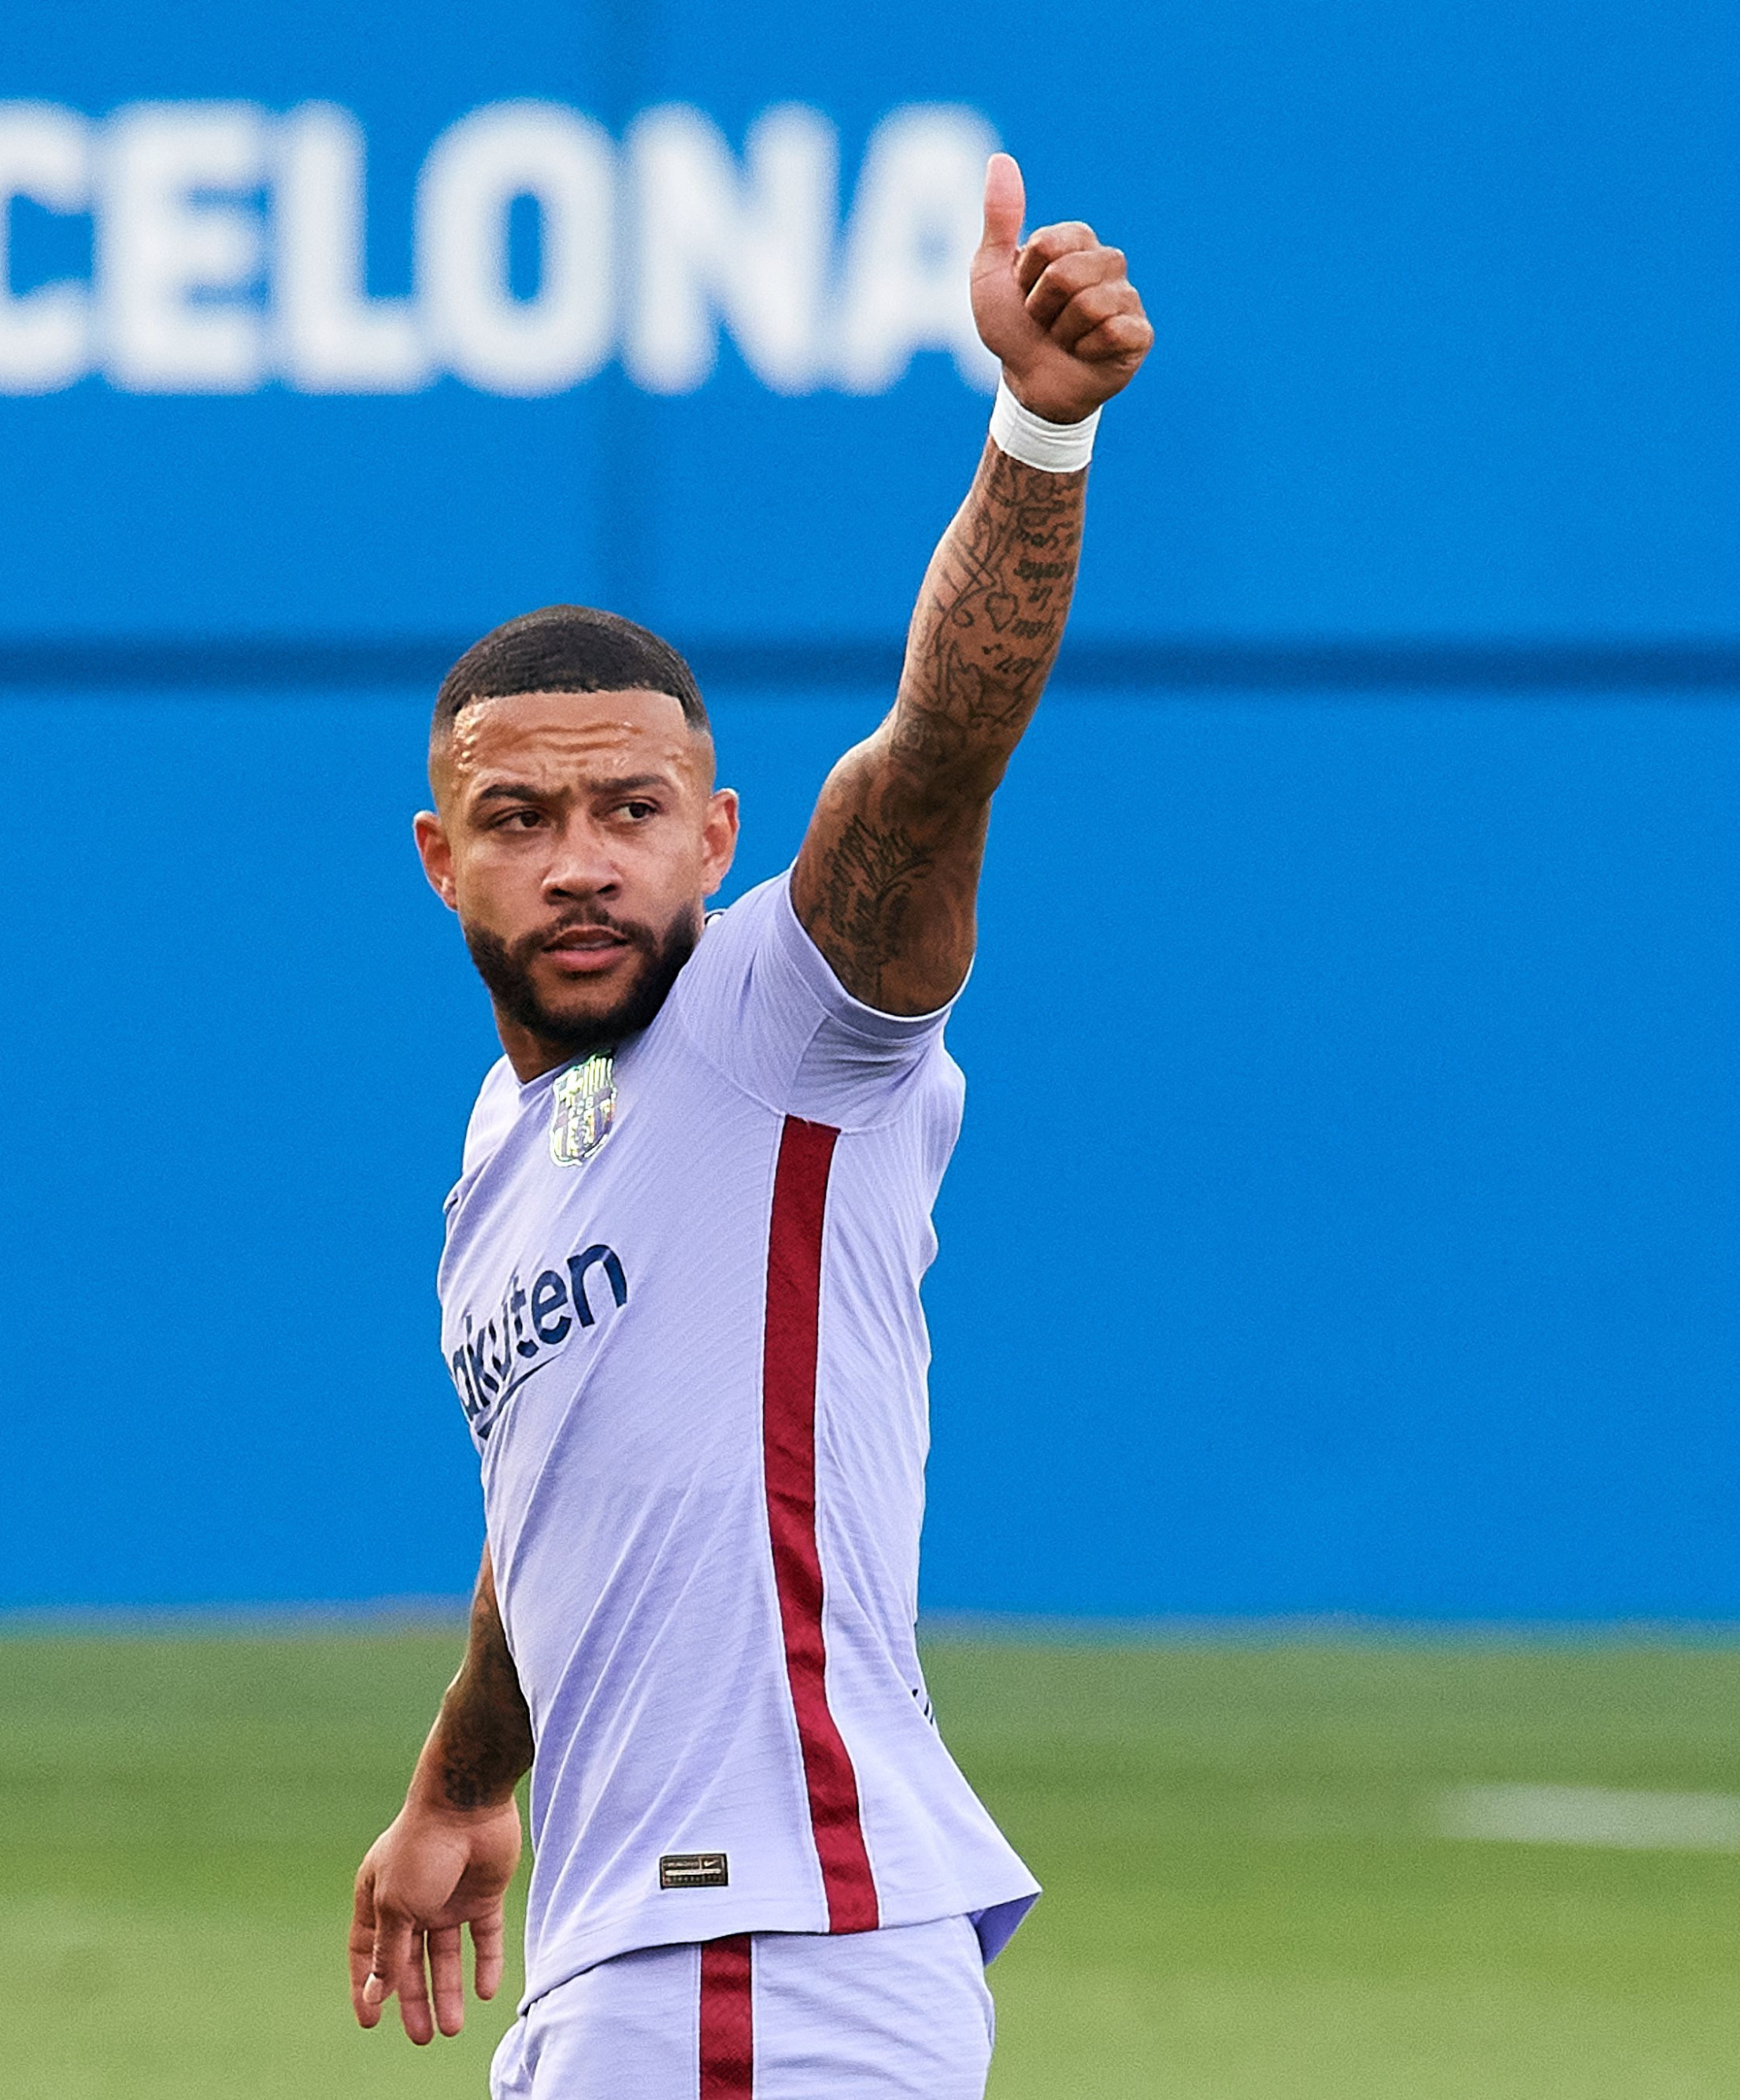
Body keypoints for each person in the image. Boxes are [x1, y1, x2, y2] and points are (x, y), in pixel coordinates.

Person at [346, 149, 1153, 2099]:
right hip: (653, 1956)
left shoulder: (779, 1020)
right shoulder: (505, 1151)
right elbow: (571, 1501)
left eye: (632, 811)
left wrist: (1035, 435)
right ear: (442, 863)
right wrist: (465, 1774)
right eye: (524, 823)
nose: (582, 863)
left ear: (716, 837)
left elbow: (939, 755)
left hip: (762, 1952)